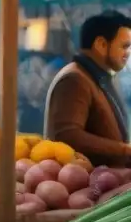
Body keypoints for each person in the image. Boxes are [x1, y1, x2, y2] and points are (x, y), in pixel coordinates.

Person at [45, 10, 131, 166]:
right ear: (101, 44)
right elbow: (68, 135)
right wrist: (124, 150)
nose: (128, 53)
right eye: (124, 46)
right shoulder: (75, 79)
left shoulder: (96, 75)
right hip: (87, 184)